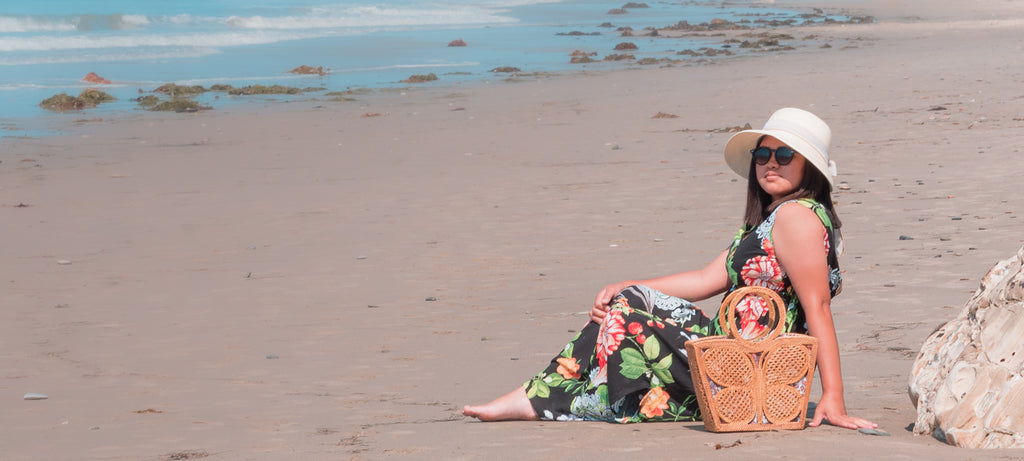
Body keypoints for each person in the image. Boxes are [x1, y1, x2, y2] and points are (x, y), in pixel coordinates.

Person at [463, 108, 877, 430]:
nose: (771, 163)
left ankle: (536, 399)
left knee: (626, 310)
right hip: (735, 352)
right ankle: (541, 396)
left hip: (751, 364)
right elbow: (704, 280)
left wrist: (833, 396)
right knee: (628, 299)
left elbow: (817, 306)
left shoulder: (796, 219)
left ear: (808, 166)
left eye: (785, 155)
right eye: (763, 154)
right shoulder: (773, 219)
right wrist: (628, 283)